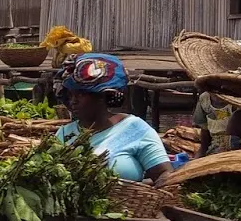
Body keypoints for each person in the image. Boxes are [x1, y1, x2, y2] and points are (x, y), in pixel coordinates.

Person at [55, 53, 171, 182]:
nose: (73, 101)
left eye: (81, 95)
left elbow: (164, 174)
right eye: (70, 95)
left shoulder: (135, 129)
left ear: (102, 96)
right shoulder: (64, 134)